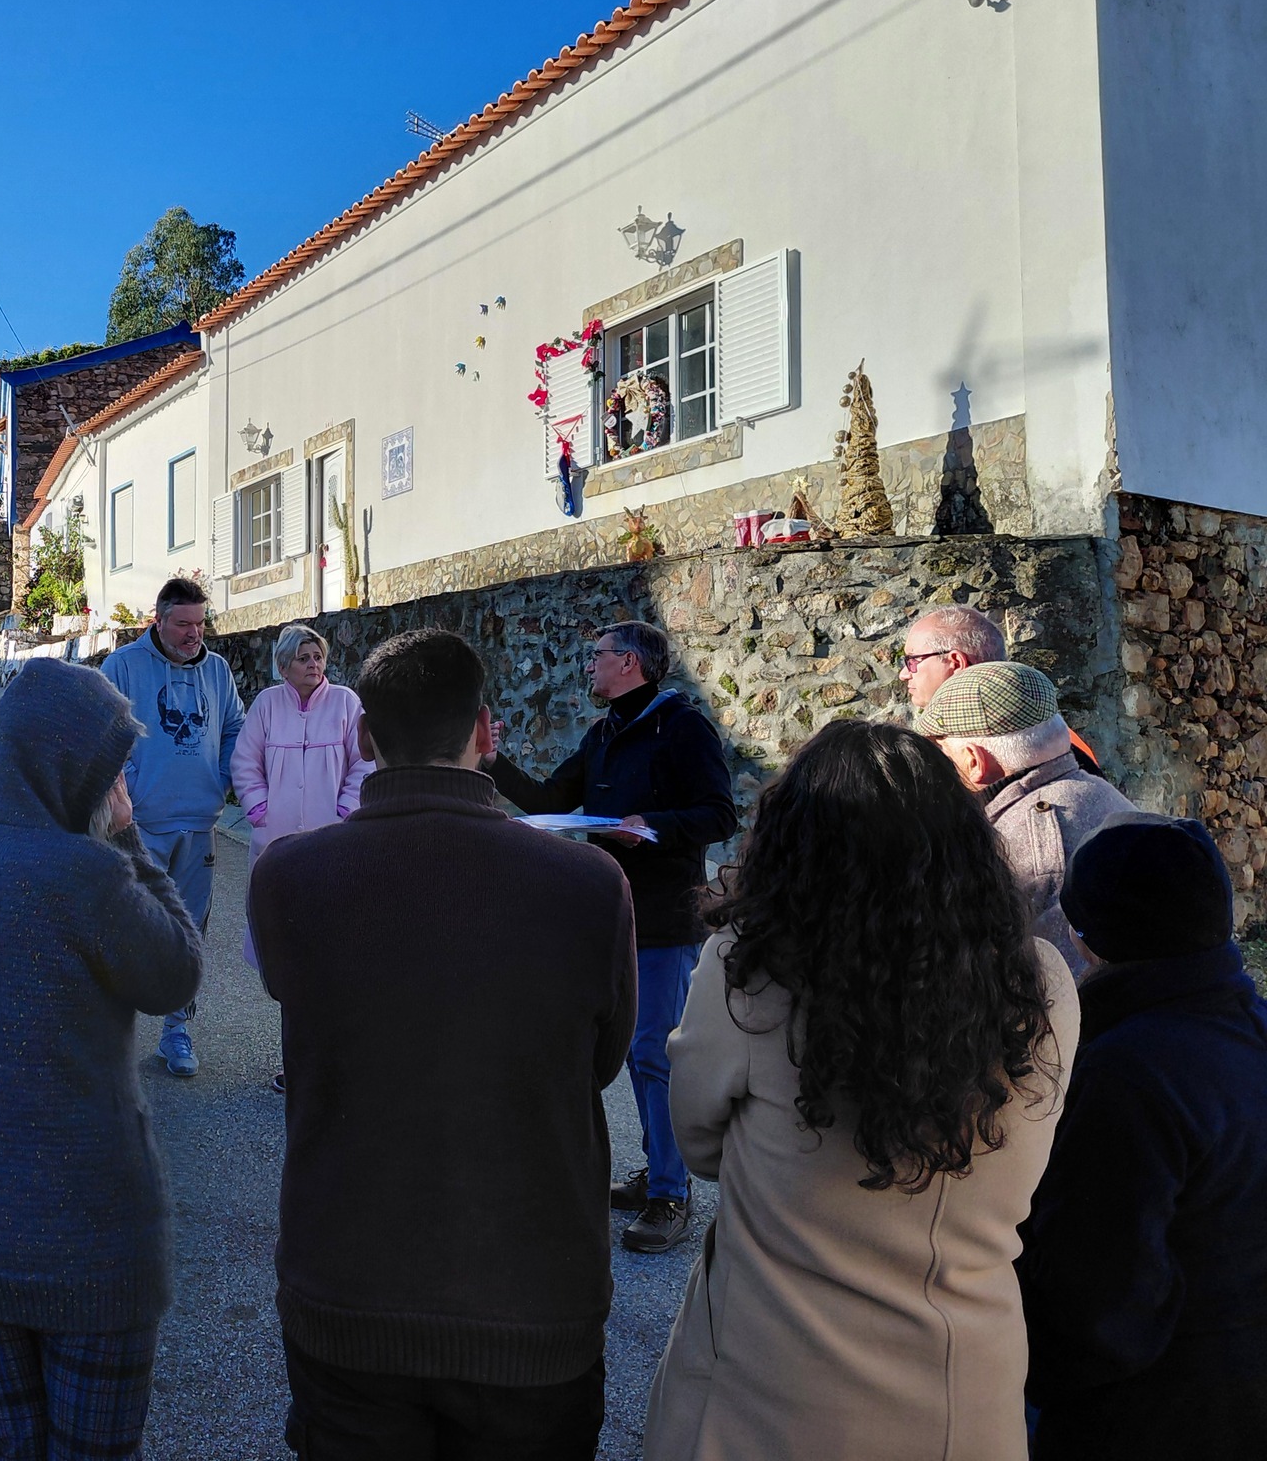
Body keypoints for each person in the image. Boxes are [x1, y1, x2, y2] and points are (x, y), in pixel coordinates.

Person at [643, 719, 1078, 1461]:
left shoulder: (748, 977)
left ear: (792, 846)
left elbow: (699, 1145)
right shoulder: (1040, 983)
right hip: (962, 1394)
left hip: (769, 1384)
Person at [250, 628, 636, 1458]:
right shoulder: (591, 884)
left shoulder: (288, 876)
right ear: (487, 732)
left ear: (363, 737)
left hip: (349, 1286)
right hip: (533, 1300)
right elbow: (601, 1063)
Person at [0, 657, 202, 1461]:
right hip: (92, 1237)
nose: (120, 784)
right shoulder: (89, 874)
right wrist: (128, 838)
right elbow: (176, 972)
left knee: (13, 1444)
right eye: (113, 768)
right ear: (77, 767)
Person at [1018, 812, 1267, 1460]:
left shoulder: (1124, 1073)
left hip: (1154, 1417)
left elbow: (1093, 1303)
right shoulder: (1251, 1025)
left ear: (1089, 941)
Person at [482, 618, 734, 1252]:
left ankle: (671, 1195)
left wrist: (651, 825)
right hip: (609, 912)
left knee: (654, 1052)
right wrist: (489, 761)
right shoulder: (604, 732)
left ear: (631, 663)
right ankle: (657, 1172)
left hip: (665, 916)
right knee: (631, 1051)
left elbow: (719, 814)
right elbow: (548, 798)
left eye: (598, 655)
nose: (588, 665)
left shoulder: (682, 726)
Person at [99, 575, 245, 1078]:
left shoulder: (217, 670)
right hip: (137, 825)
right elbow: (104, 732)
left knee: (189, 931)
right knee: (126, 926)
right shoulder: (123, 666)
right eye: (183, 623)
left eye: (200, 623)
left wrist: (221, 781)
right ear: (158, 621)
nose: (193, 633)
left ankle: (176, 1031)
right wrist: (131, 789)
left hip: (199, 823)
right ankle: (111, 1032)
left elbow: (234, 727)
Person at [919, 660, 1135, 978]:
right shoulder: (1097, 792)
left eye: (939, 753)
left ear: (973, 761)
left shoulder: (1026, 849)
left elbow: (1057, 992)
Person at [231, 623, 370, 1087]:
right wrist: (260, 811)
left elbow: (364, 763)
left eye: (318, 657)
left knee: (334, 953)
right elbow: (245, 761)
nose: (314, 665)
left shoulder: (346, 703)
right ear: (283, 665)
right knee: (288, 956)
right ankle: (296, 1063)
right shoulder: (267, 705)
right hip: (277, 848)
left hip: (333, 846)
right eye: (304, 658)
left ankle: (335, 1060)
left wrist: (345, 811)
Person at [900, 604, 1102, 773]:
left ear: (956, 662)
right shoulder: (1055, 732)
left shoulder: (955, 751)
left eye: (912, 661)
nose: (904, 674)